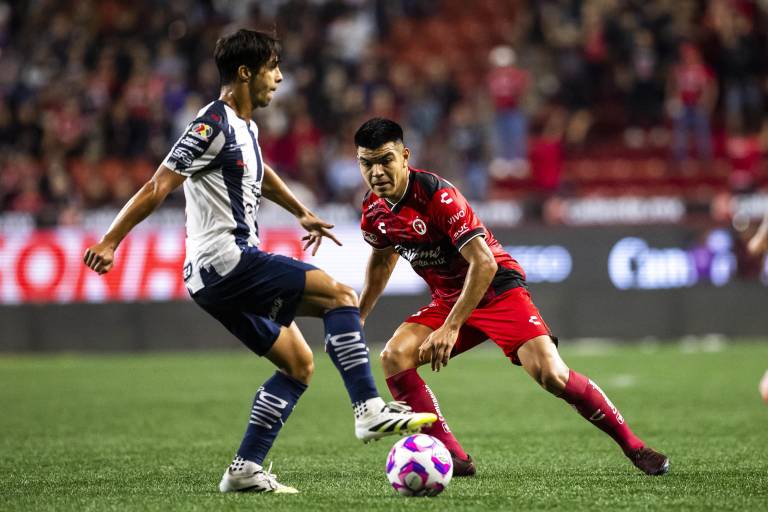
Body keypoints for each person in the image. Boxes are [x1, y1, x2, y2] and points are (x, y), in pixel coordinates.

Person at [83, 30, 436, 494]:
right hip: (226, 260)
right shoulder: (211, 124)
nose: (280, 77)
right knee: (340, 296)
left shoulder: (245, 128)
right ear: (246, 73)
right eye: (273, 68)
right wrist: (111, 241)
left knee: (298, 364)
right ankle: (369, 408)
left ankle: (245, 469)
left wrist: (300, 211)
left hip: (213, 277)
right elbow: (157, 185)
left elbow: (261, 175)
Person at [354, 117, 670, 477]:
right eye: (367, 163)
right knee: (395, 356)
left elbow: (484, 264)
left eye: (385, 160)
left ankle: (635, 447)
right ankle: (453, 457)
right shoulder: (373, 211)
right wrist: (357, 316)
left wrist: (451, 327)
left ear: (405, 156)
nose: (376, 171)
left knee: (551, 374)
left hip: (495, 289)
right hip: (449, 297)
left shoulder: (437, 195)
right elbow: (382, 261)